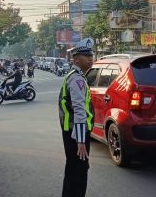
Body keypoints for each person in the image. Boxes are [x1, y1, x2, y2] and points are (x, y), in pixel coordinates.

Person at [58, 38, 95, 197]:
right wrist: (80, 141)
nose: (90, 58)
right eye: (86, 55)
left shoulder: (76, 76)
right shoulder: (77, 79)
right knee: (78, 174)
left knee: (73, 170)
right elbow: (79, 110)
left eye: (91, 55)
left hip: (71, 132)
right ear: (76, 59)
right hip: (76, 134)